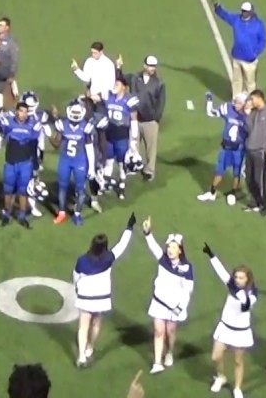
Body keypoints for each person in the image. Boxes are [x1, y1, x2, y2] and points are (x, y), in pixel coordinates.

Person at [73, 214, 137, 367]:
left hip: (85, 297)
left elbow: (75, 277)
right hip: (101, 298)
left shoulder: (82, 260)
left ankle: (81, 356)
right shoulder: (109, 258)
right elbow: (121, 245)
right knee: (96, 323)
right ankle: (90, 347)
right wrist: (129, 227)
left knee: (83, 326)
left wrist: (77, 288)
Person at [202, 243, 256, 397]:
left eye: (241, 278)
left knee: (238, 361)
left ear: (247, 279)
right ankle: (220, 377)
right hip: (225, 328)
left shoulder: (252, 293)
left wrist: (237, 292)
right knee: (215, 356)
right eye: (236, 277)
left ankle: (237, 388)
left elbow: (246, 305)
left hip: (240, 332)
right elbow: (222, 272)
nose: (237, 280)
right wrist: (211, 255)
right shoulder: (232, 285)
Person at [142, 217, 195, 373]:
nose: (170, 250)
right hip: (159, 302)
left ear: (180, 250)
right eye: (169, 247)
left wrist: (181, 306)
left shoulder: (187, 268)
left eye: (174, 247)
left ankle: (170, 351)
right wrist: (147, 233)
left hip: (174, 307)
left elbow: (188, 289)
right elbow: (153, 246)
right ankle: (157, 363)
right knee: (159, 331)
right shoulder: (162, 260)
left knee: (170, 331)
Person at [197, 92, 248, 205]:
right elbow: (211, 112)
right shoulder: (228, 108)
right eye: (236, 102)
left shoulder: (248, 115)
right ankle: (212, 192)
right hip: (226, 148)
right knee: (219, 170)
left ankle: (233, 192)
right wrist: (209, 101)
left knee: (236, 172)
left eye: (239, 103)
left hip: (239, 149)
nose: (236, 105)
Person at [212, 0, 266, 95]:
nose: (243, 13)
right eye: (243, 10)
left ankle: (250, 101)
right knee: (237, 82)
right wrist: (218, 8)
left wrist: (255, 52)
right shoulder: (236, 20)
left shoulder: (258, 25)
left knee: (250, 84)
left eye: (245, 11)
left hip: (249, 60)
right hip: (237, 57)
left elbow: (263, 40)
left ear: (250, 12)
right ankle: (236, 100)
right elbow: (226, 16)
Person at [127, 56, 164, 180]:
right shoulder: (134, 78)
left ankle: (149, 171)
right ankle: (132, 167)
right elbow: (120, 78)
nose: (152, 68)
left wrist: (156, 118)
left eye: (154, 66)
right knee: (133, 145)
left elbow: (161, 102)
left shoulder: (159, 82)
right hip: (135, 119)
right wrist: (118, 67)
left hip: (150, 121)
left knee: (151, 149)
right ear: (144, 66)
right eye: (150, 66)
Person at [243, 89, 266, 216]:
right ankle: (255, 201)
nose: (251, 102)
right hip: (250, 150)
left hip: (260, 152)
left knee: (259, 180)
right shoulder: (253, 112)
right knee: (249, 178)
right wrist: (247, 115)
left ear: (259, 98)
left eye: (252, 99)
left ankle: (264, 205)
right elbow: (249, 129)